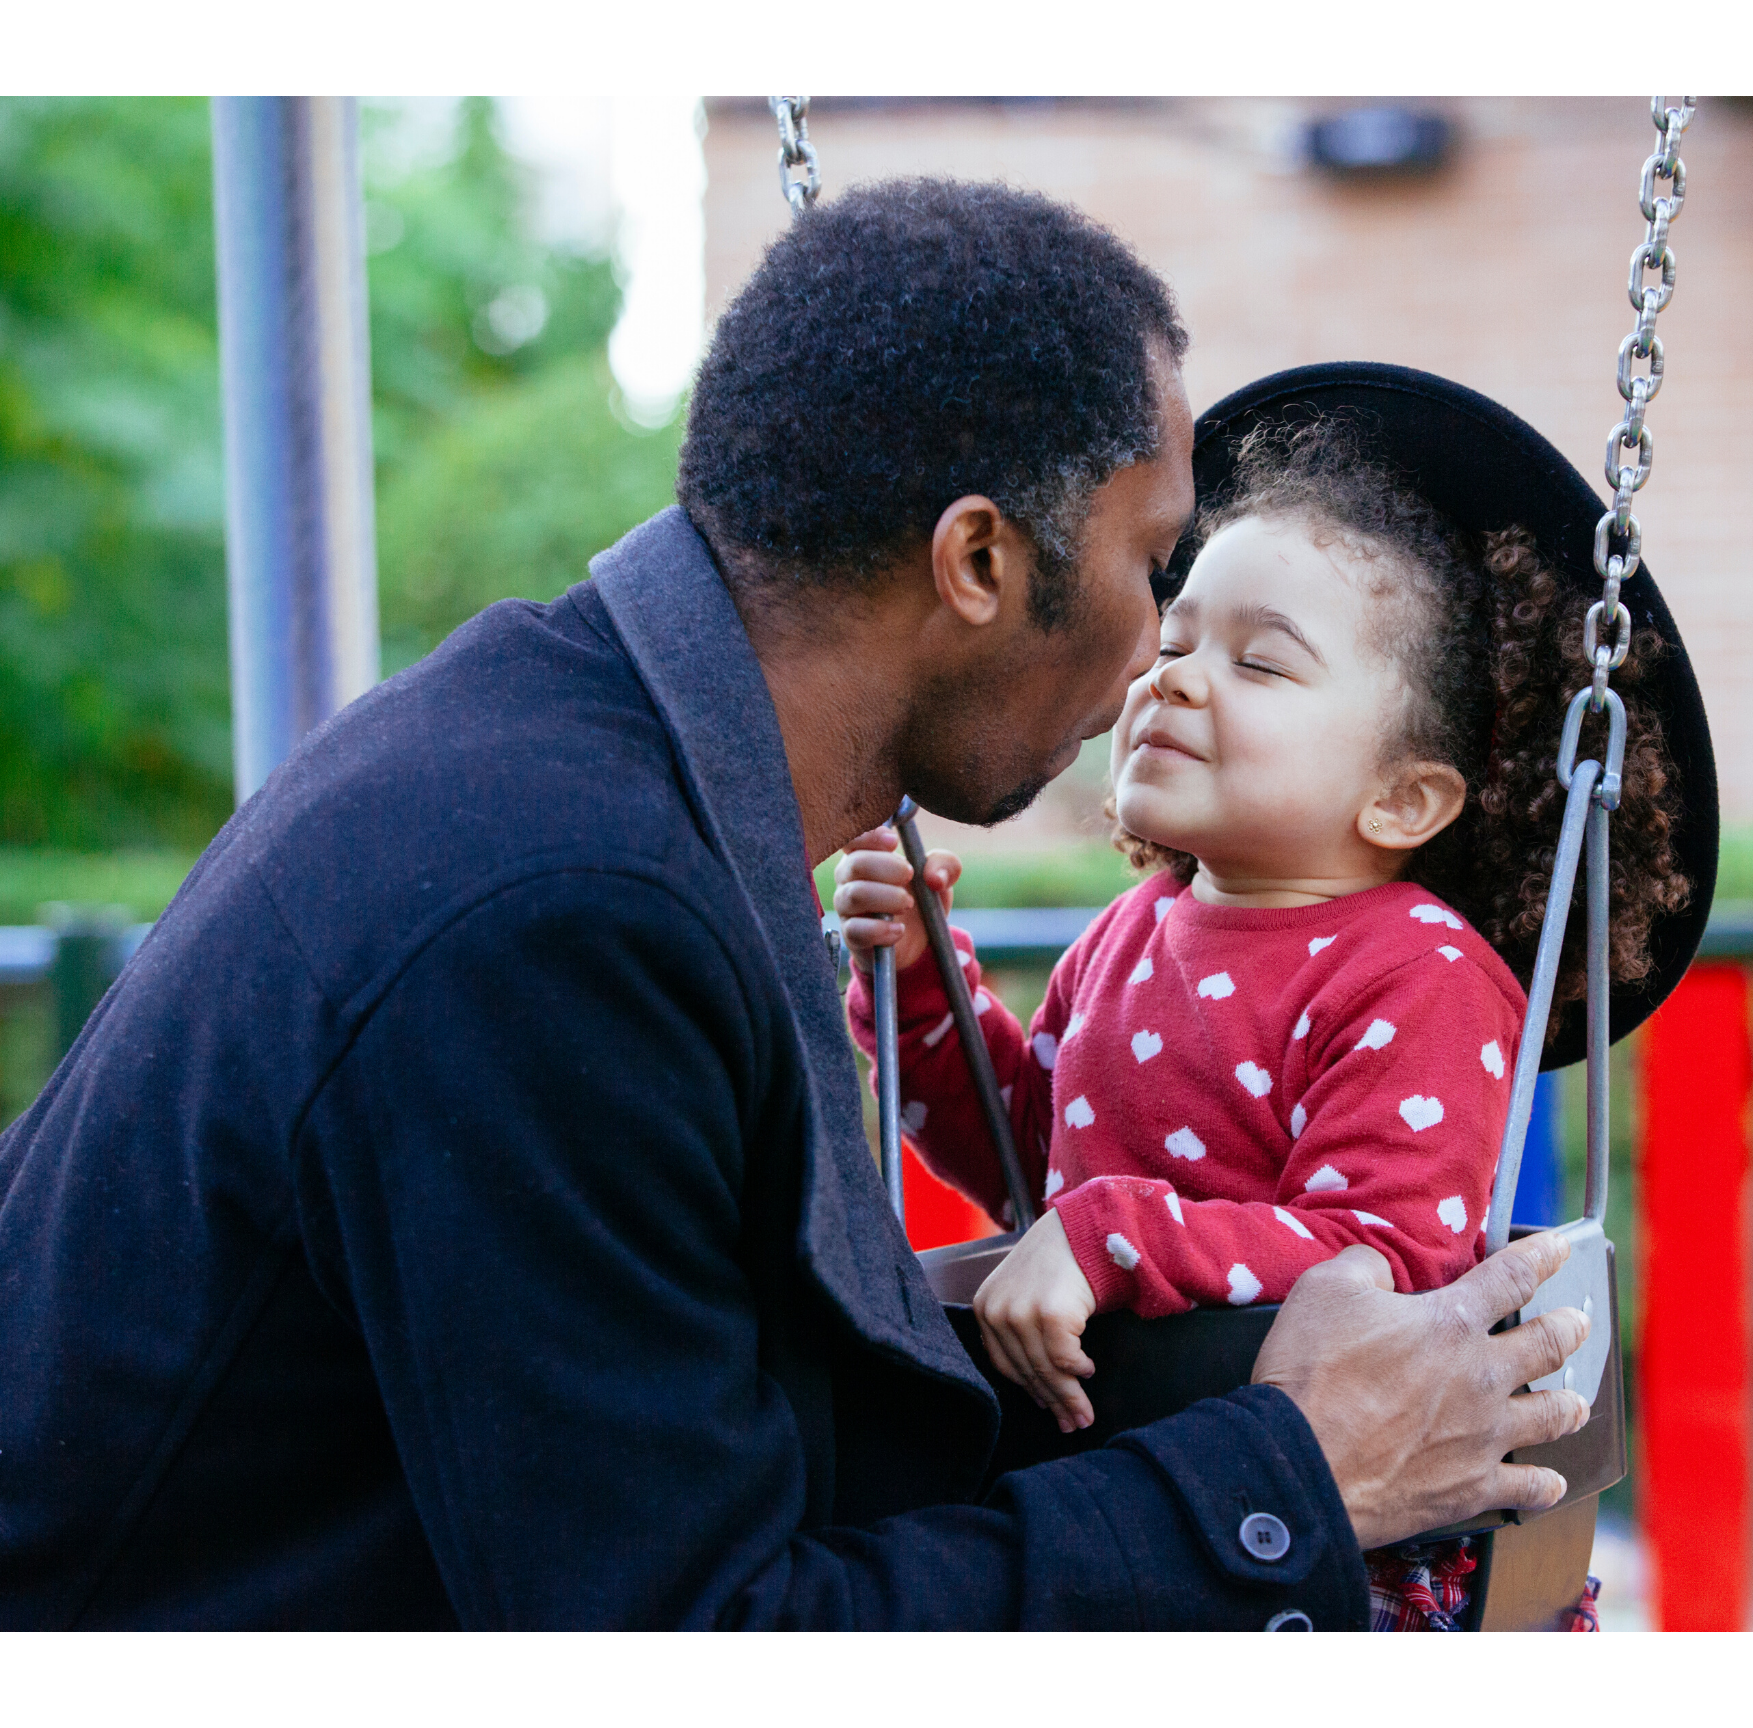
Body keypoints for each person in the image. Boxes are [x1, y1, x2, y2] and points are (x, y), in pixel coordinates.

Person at [0, 182, 1601, 1631]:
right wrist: (1287, 1477)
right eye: (1149, 567)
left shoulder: (562, 767)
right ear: (978, 560)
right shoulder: (555, 920)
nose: (1151, 659)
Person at [836, 417, 1694, 1630]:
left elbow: (1381, 1263)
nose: (1174, 676)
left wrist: (1112, 1236)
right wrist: (923, 981)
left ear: (1404, 797)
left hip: (1354, 1550)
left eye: (1260, 663)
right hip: (1135, 1505)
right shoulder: (1131, 934)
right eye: (1175, 640)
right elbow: (1028, 1159)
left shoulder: (1422, 975)